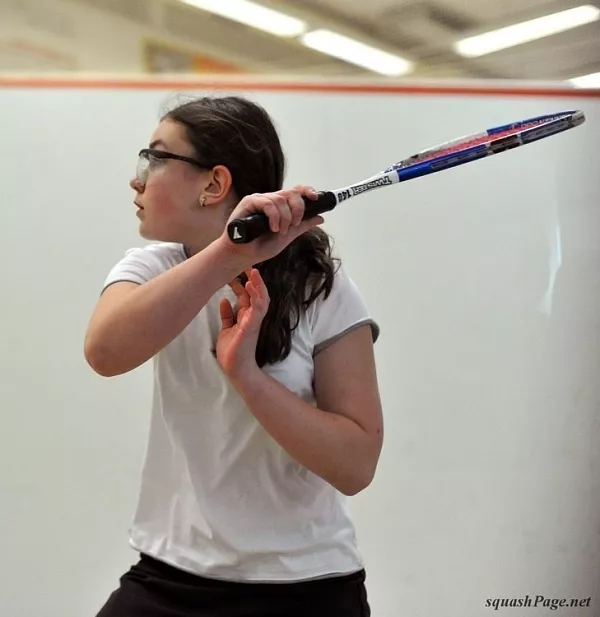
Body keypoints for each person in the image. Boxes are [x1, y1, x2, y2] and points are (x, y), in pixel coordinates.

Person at [85, 94, 383, 617]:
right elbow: (106, 353)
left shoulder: (322, 288)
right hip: (167, 579)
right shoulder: (149, 268)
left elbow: (356, 466)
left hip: (307, 589)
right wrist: (231, 251)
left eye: (155, 158)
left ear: (214, 184)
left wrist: (246, 375)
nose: (138, 179)